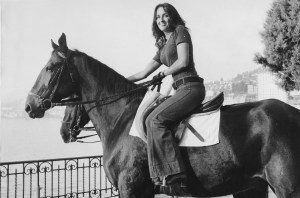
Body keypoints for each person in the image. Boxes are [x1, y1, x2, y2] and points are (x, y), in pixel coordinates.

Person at [127, 3, 206, 189]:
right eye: (157, 17)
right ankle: (159, 176)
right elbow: (142, 74)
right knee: (150, 118)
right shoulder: (163, 45)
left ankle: (175, 175)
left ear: (172, 17)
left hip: (191, 87)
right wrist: (118, 82)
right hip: (180, 90)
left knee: (154, 120)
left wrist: (163, 73)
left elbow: (183, 60)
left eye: (165, 15)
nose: (161, 20)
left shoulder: (180, 31)